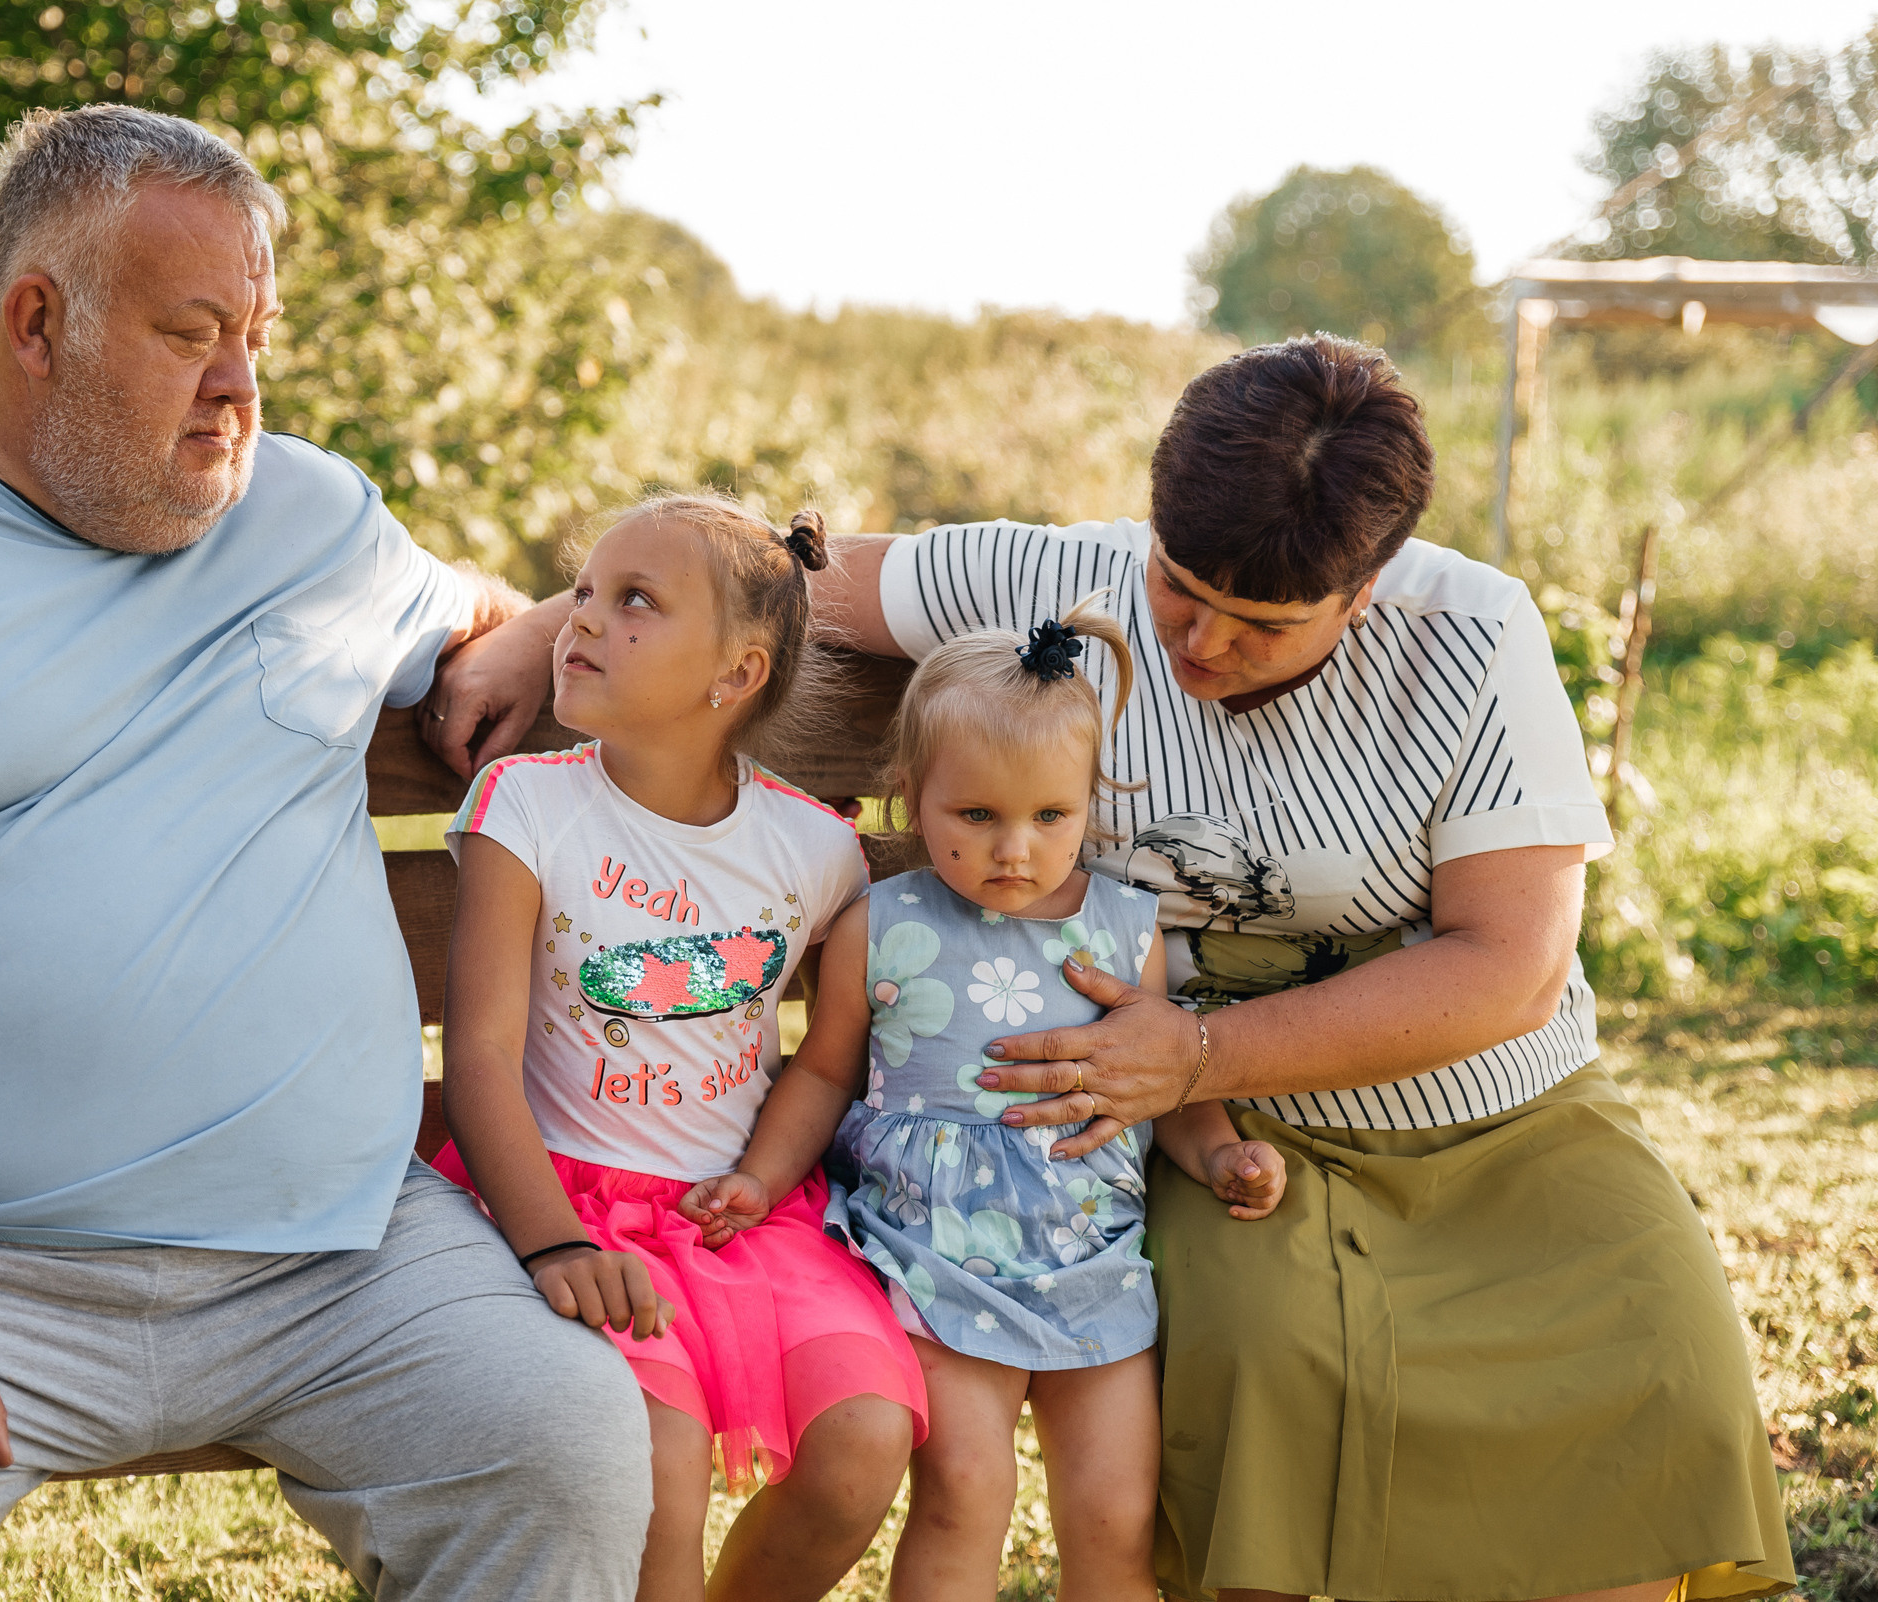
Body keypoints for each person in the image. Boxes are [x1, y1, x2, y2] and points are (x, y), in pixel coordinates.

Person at [425, 336, 1794, 1602]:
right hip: (1226, 1140)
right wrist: (558, 622)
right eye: (1178, 592)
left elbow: (1508, 966)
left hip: (1486, 1108)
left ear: (1365, 588)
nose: (1198, 646)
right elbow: (775, 575)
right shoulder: (1057, 577)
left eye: (1259, 624)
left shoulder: (1471, 640)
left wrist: (1196, 1054)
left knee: (1659, 1351)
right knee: (1263, 1362)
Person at [0, 105, 649, 1601]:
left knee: (555, 1442)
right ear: (37, 322)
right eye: (192, 333)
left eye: (256, 333)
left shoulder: (310, 515)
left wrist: (538, 630)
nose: (240, 384)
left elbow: (471, 610)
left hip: (338, 1261)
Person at [692, 597, 1285, 1602]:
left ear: (1087, 805)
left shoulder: (1121, 930)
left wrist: (1221, 1152)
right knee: (966, 1489)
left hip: (1090, 1255)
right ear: (911, 797)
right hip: (936, 1260)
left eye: (1049, 817)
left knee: (1113, 1510)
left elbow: (1166, 1082)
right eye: (977, 817)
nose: (1016, 849)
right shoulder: (880, 925)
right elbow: (826, 1072)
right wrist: (759, 1175)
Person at [436, 495, 925, 1602]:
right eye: (585, 594)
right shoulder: (527, 807)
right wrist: (554, 1244)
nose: (583, 622)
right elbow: (478, 1060)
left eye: (635, 602)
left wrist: (761, 1179)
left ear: (736, 674)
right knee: (653, 1467)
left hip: (741, 1217)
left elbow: (826, 1060)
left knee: (865, 1440)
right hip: (564, 1199)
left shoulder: (814, 848)